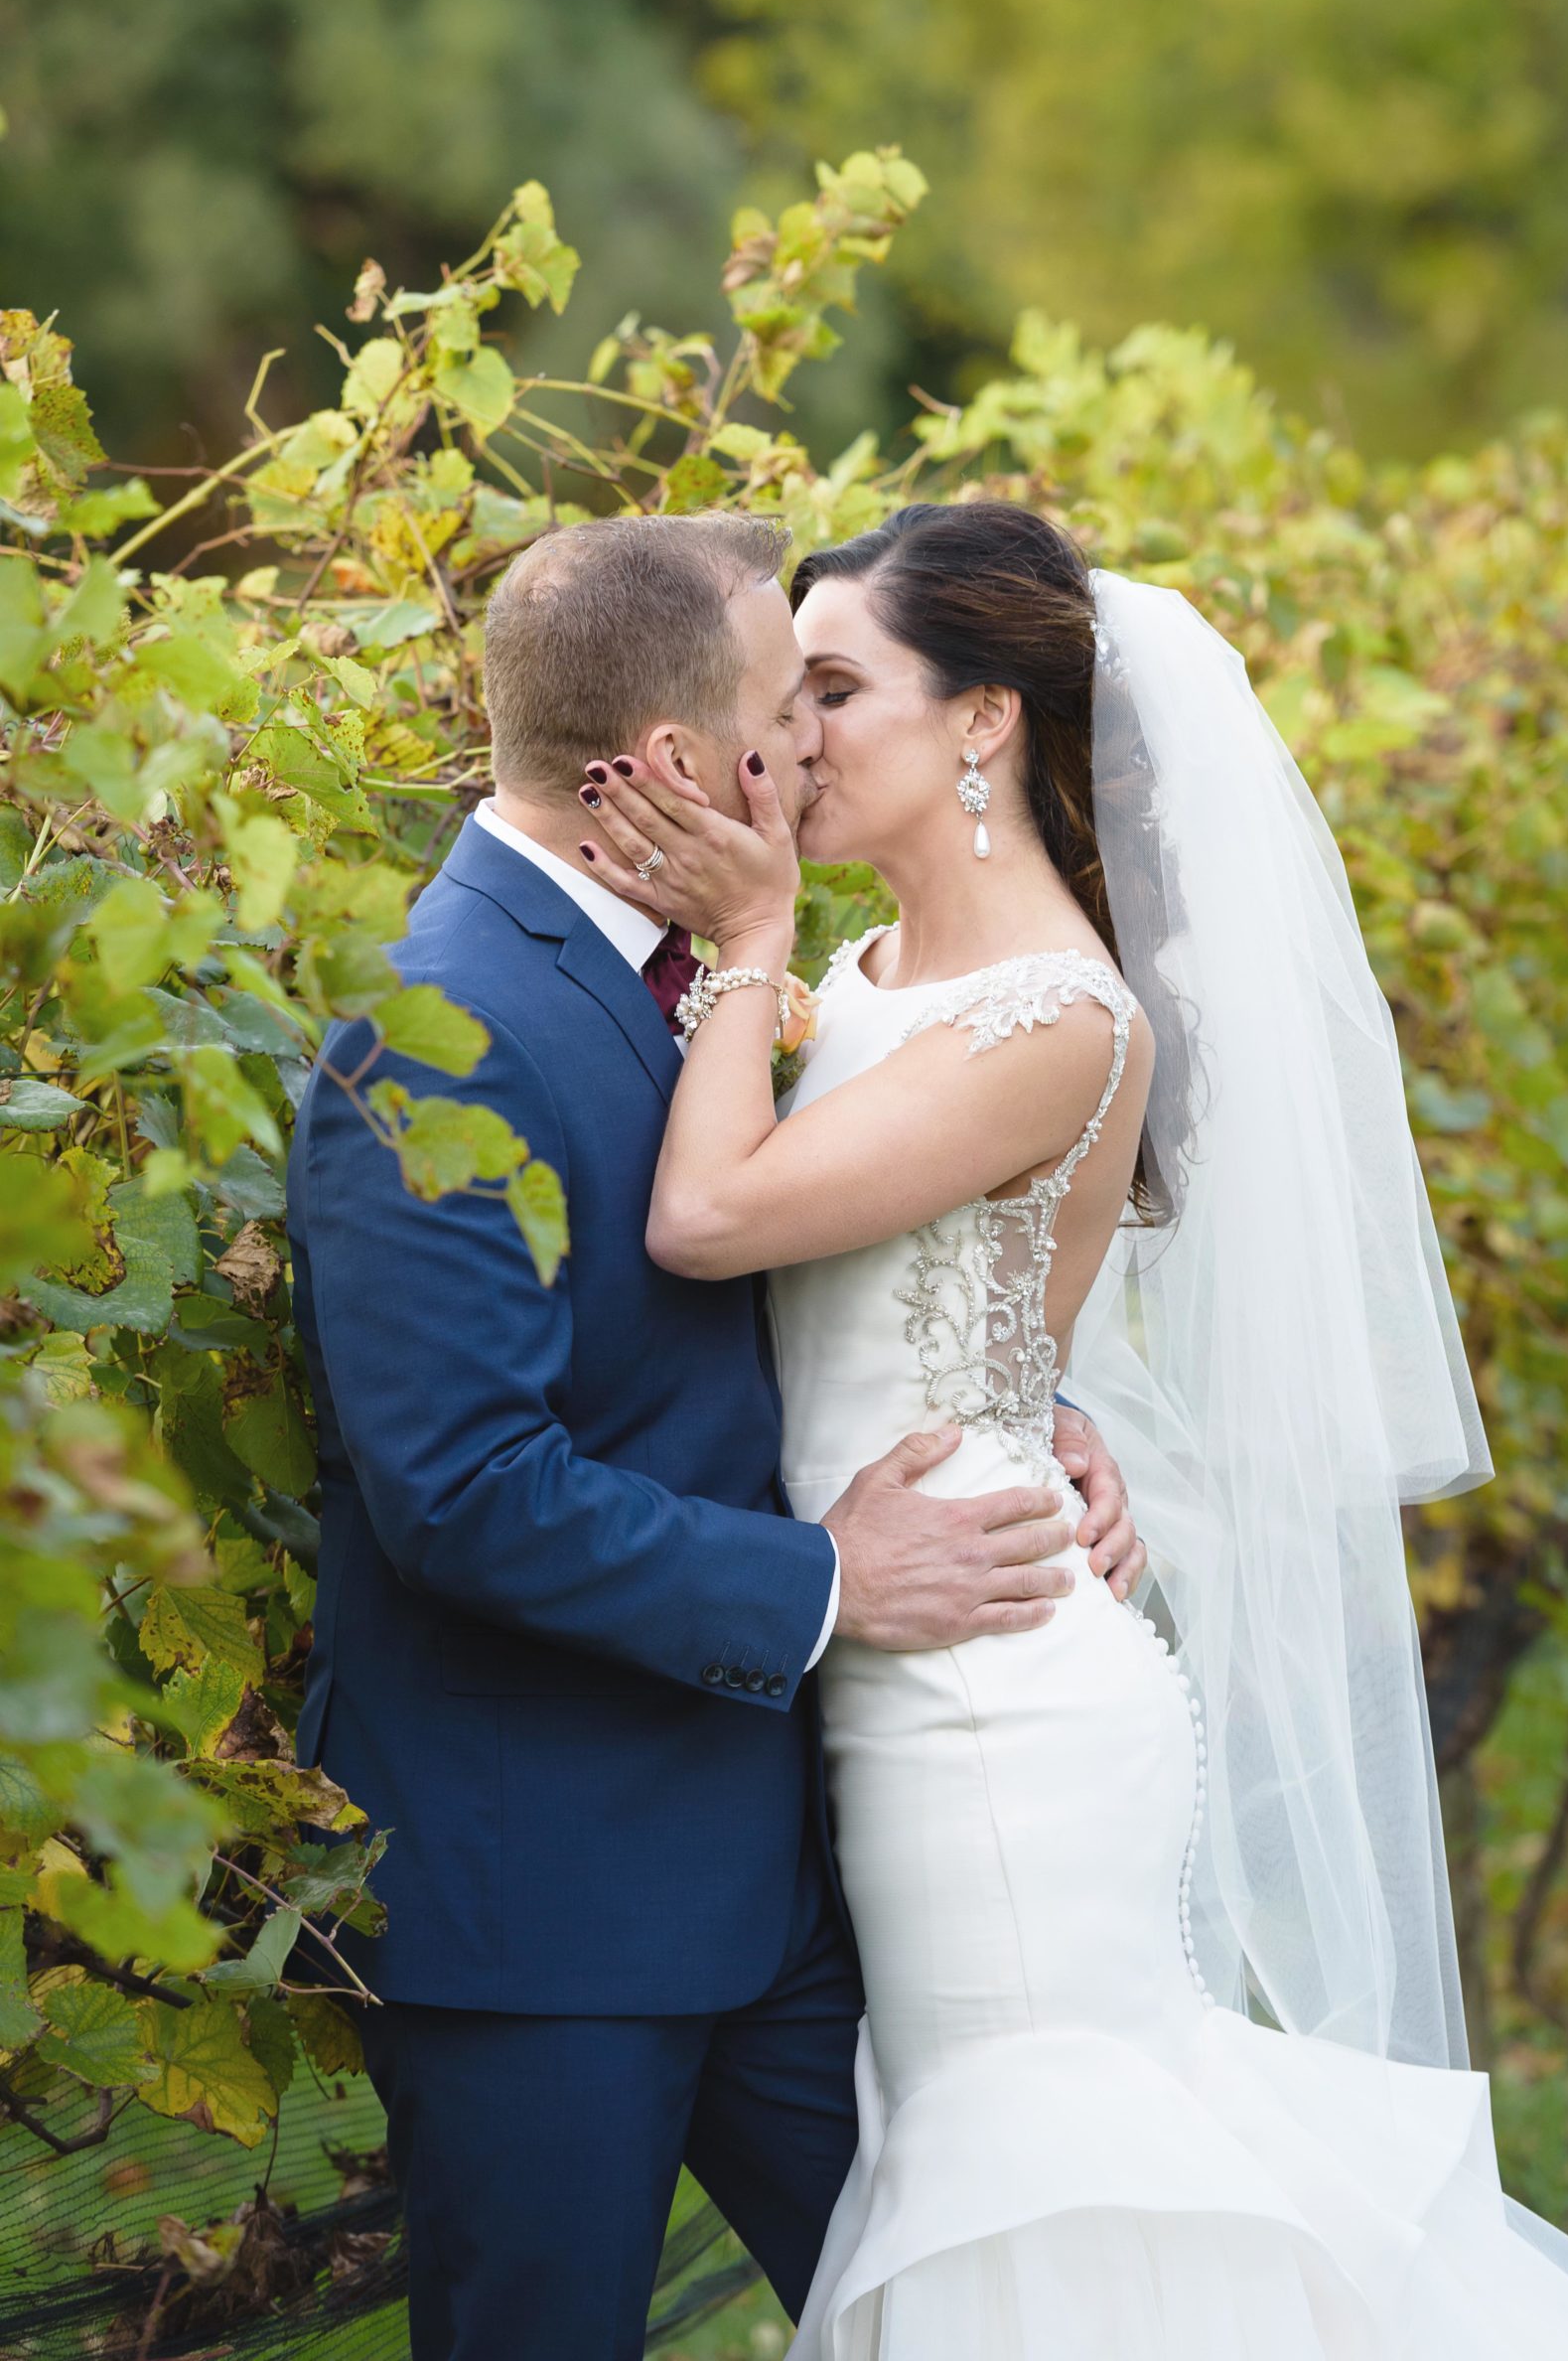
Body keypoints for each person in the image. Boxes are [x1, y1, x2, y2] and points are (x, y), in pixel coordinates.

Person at [579, 499, 1568, 2358]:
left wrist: (747, 928)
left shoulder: (1057, 1016)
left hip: (988, 1708)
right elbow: (943, 1298)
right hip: (897, 1640)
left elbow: (711, 1220)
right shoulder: (868, 980)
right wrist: (1059, 1405)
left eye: (835, 688)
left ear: (981, 724)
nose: (788, 736)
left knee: (1040, 2196)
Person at [284, 512, 1144, 2361]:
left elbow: (809, 1274)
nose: (814, 749)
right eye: (788, 707)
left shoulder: (718, 970)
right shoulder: (433, 1029)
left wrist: (1019, 1402)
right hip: (548, 1904)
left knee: (989, 2310)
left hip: (783, 1878)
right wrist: (831, 1578)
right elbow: (462, 1493)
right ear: (673, 767)